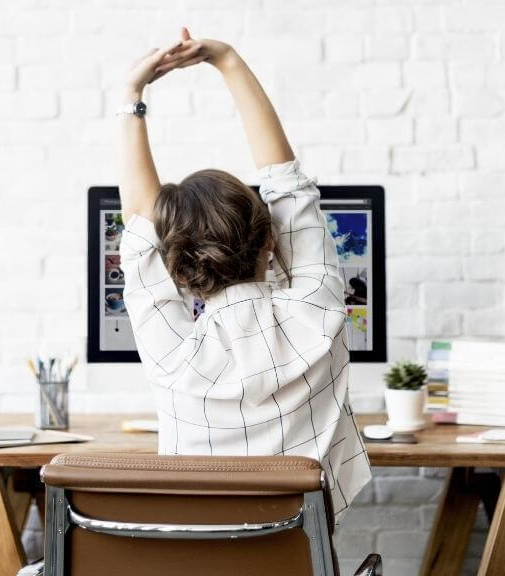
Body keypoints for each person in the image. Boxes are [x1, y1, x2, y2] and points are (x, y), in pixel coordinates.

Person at [116, 27, 371, 521]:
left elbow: (141, 229)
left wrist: (131, 96)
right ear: (271, 242)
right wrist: (226, 59)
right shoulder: (319, 313)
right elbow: (290, 188)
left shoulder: (171, 353)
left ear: (178, 270)